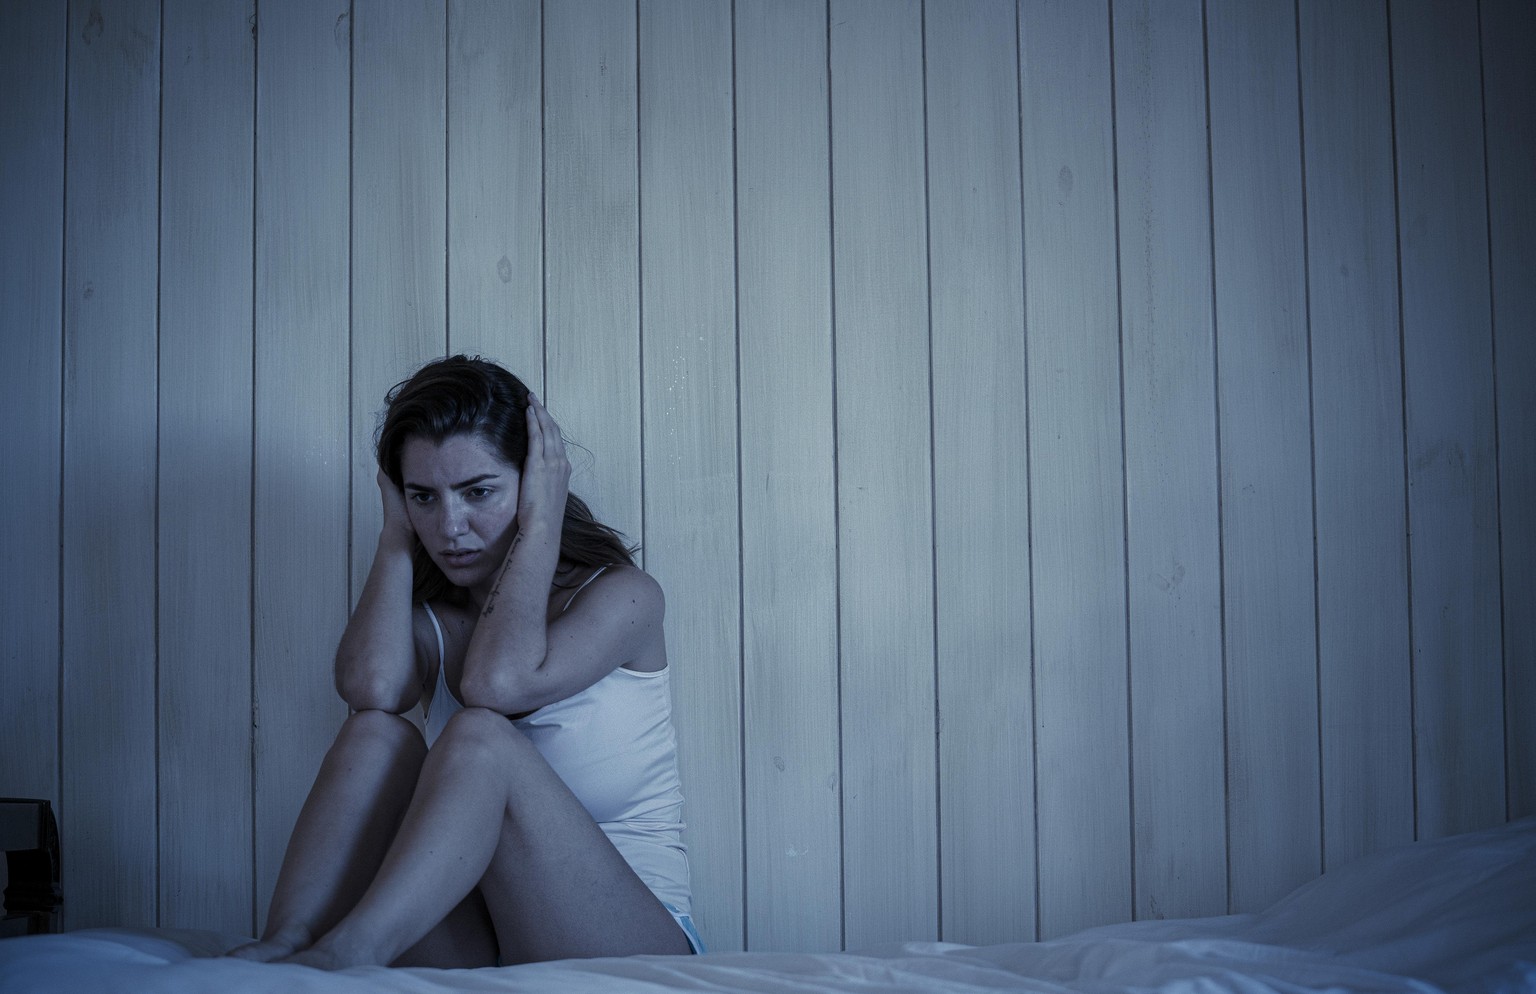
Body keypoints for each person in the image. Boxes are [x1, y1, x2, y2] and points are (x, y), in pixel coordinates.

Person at [229, 355, 701, 968]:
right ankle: (288, 945)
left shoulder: (623, 596)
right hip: (484, 937)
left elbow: (496, 685)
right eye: (424, 497)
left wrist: (541, 524)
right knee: (377, 733)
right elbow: (370, 690)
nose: (451, 527)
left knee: (478, 735)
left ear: (536, 482)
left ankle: (353, 949)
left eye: (478, 492)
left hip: (628, 940)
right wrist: (396, 539)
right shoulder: (438, 613)